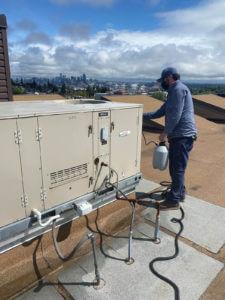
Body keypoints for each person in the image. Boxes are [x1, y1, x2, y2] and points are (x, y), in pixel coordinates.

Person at [143, 67, 197, 210]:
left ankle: (173, 201)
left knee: (177, 169)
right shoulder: (175, 91)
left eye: (163, 80)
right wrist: (140, 115)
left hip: (182, 136)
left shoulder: (177, 89)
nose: (162, 83)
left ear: (170, 77)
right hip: (182, 136)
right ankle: (180, 194)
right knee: (178, 168)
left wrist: (165, 133)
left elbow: (175, 114)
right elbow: (160, 112)